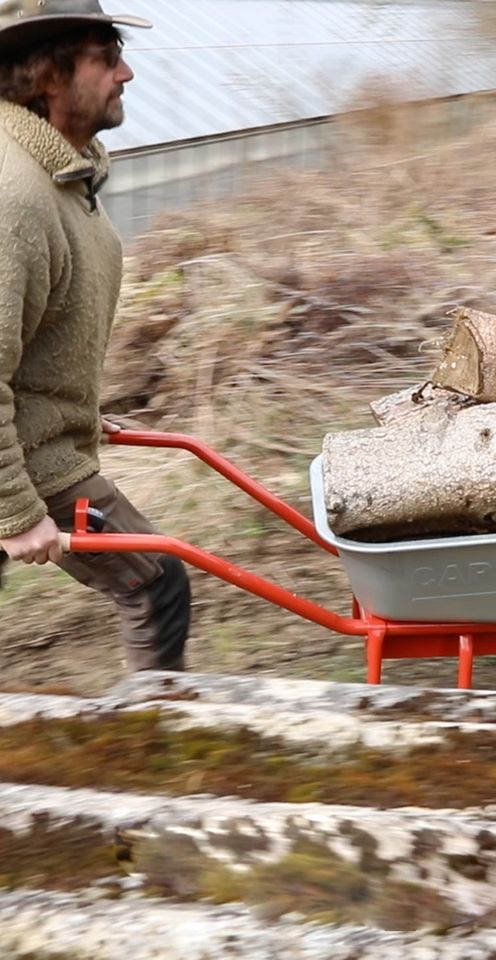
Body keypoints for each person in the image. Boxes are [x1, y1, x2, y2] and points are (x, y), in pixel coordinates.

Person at [0, 0, 191, 671]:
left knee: (157, 578)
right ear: (48, 76)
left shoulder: (62, 175)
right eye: (107, 57)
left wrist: (78, 407)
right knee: (155, 581)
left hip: (35, 439)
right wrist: (16, 511)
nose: (127, 72)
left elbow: (37, 324)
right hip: (22, 458)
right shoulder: (13, 193)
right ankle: (149, 744)